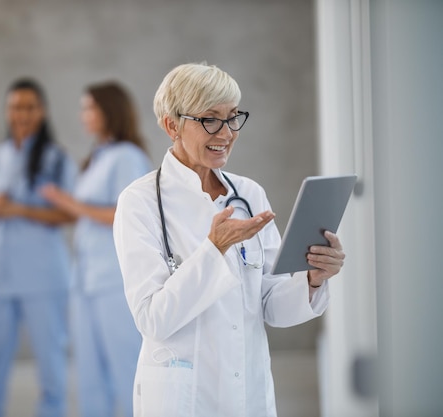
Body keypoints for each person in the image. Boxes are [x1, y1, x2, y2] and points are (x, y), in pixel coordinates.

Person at [112, 62, 346, 417]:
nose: (226, 132)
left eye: (233, 117)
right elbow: (153, 320)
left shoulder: (249, 194)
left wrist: (312, 279)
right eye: (210, 119)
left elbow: (269, 304)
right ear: (171, 125)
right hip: (183, 397)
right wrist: (214, 249)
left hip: (247, 394)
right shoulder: (140, 202)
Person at [41, 82, 151, 417]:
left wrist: (69, 203)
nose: (83, 115)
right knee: (88, 376)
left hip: (113, 281)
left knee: (127, 368)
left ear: (109, 111)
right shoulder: (96, 158)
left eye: (89, 108)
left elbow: (125, 214)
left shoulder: (128, 157)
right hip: (85, 280)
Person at [0, 78, 77, 417]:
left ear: (42, 112)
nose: (22, 114)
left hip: (43, 277)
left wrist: (18, 209)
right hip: (0, 276)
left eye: (30, 107)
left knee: (50, 364)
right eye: (16, 107)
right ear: (7, 111)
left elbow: (68, 213)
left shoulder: (56, 158)